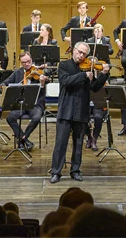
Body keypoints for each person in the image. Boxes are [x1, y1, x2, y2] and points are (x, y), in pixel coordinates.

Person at [50, 42, 109, 183]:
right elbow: (65, 82)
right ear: (73, 51)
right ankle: (56, 172)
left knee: (78, 143)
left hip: (81, 110)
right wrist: (84, 75)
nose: (81, 56)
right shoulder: (64, 66)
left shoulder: (88, 68)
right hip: (66, 109)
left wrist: (104, 75)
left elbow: (94, 87)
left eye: (84, 54)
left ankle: (75, 170)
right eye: (79, 52)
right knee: (60, 143)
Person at [0, 52, 47, 151]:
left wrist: (42, 83)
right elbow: (5, 82)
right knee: (10, 118)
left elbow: (43, 91)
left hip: (35, 104)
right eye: (24, 62)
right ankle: (24, 140)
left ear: (31, 60)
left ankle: (22, 139)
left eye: (28, 61)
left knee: (37, 117)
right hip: (20, 103)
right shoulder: (18, 72)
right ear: (21, 63)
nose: (26, 64)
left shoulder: (38, 72)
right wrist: (5, 86)